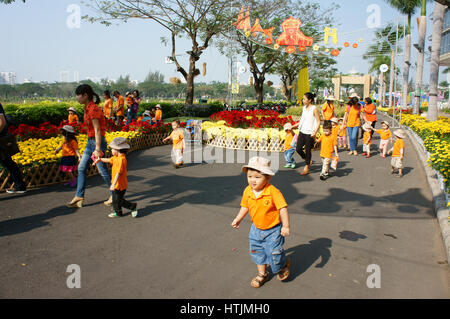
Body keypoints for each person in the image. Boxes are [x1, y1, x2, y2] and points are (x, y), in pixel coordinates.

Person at [231, 156, 291, 288]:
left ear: (267, 178)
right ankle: (262, 274)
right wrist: (238, 219)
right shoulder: (248, 191)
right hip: (256, 229)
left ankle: (282, 265)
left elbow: (282, 208)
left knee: (274, 252)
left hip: (273, 230)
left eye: (257, 177)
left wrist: (285, 226)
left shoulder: (273, 192)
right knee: (257, 251)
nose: (253, 180)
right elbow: (245, 206)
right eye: (250, 176)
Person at [67, 84, 112, 208]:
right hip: (90, 142)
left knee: (102, 170)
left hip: (97, 142)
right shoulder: (87, 108)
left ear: (85, 95)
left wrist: (97, 148)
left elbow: (98, 130)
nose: (77, 98)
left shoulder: (93, 109)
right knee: (81, 168)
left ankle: (114, 194)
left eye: (78, 95)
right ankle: (79, 196)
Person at [94, 137, 138, 218]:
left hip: (120, 184)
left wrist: (113, 184)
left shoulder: (121, 159)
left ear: (117, 150)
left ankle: (133, 206)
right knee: (115, 200)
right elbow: (109, 160)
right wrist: (100, 159)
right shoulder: (116, 157)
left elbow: (118, 172)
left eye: (112, 149)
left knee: (119, 200)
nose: (111, 150)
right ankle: (118, 212)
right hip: (116, 184)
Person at [0, 102, 27, 194]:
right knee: (8, 163)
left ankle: (20, 185)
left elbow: (2, 122)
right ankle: (20, 185)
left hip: (1, 139)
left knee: (8, 163)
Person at [292, 92, 320, 176]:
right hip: (302, 131)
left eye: (304, 99)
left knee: (308, 150)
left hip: (310, 133)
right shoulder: (304, 108)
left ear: (309, 100)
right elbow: (302, 120)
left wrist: (315, 132)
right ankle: (307, 160)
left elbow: (318, 121)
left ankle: (307, 167)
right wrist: (294, 126)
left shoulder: (314, 108)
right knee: (298, 149)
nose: (303, 100)